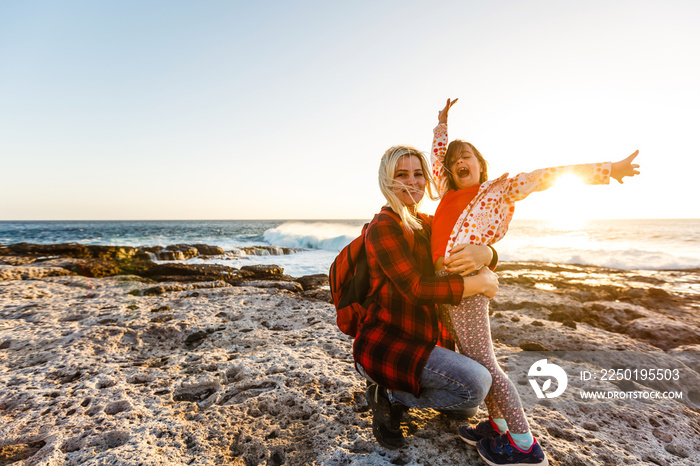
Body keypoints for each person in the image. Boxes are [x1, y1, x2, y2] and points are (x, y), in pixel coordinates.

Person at [430, 98, 640, 466]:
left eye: (467, 156)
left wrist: (608, 169)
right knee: (472, 359)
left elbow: (549, 175)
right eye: (453, 159)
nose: (458, 162)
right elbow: (437, 155)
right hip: (445, 288)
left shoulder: (498, 190)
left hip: (469, 286)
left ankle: (524, 444)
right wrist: (441, 123)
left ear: (481, 163)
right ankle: (497, 426)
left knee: (486, 366)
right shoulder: (447, 192)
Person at [353, 144, 500, 450]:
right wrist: (477, 286)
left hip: (424, 341)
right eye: (402, 174)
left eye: (418, 174)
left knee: (466, 406)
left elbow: (465, 251)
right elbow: (417, 289)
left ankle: (401, 391)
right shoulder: (383, 227)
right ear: (387, 180)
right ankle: (387, 396)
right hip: (387, 344)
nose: (412, 181)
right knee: (476, 384)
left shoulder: (428, 223)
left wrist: (488, 252)